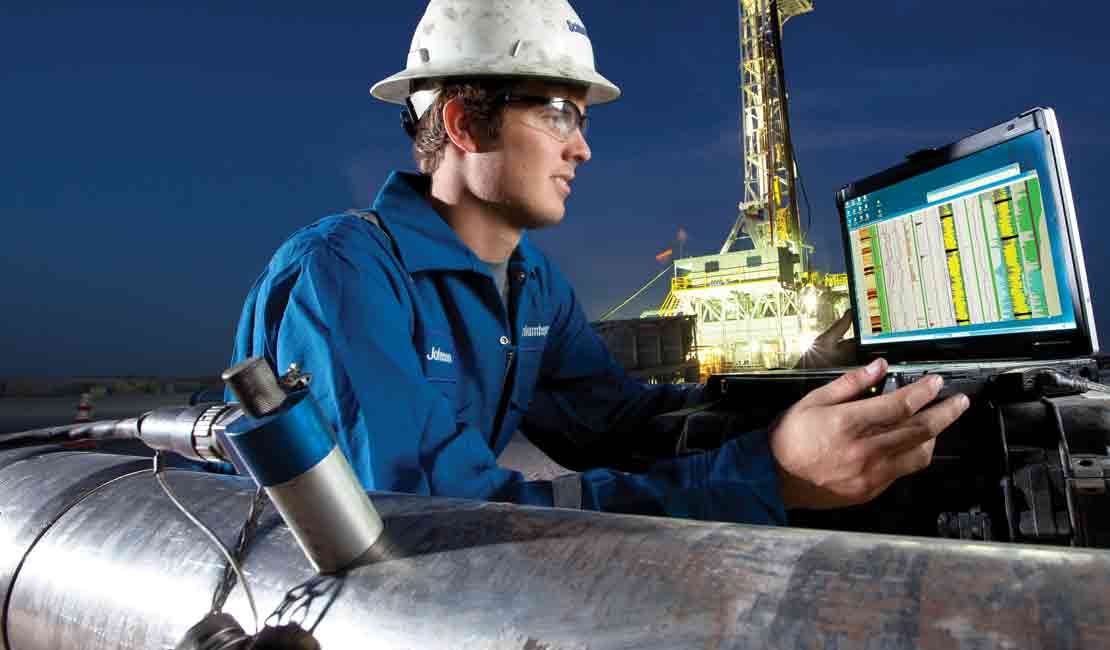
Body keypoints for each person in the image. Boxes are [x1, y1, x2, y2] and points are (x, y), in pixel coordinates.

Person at [230, 0, 968, 524]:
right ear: (462, 122)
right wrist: (769, 476)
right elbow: (432, 516)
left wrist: (797, 405)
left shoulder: (530, 286)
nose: (581, 146)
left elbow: (620, 424)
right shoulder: (345, 276)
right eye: (558, 112)